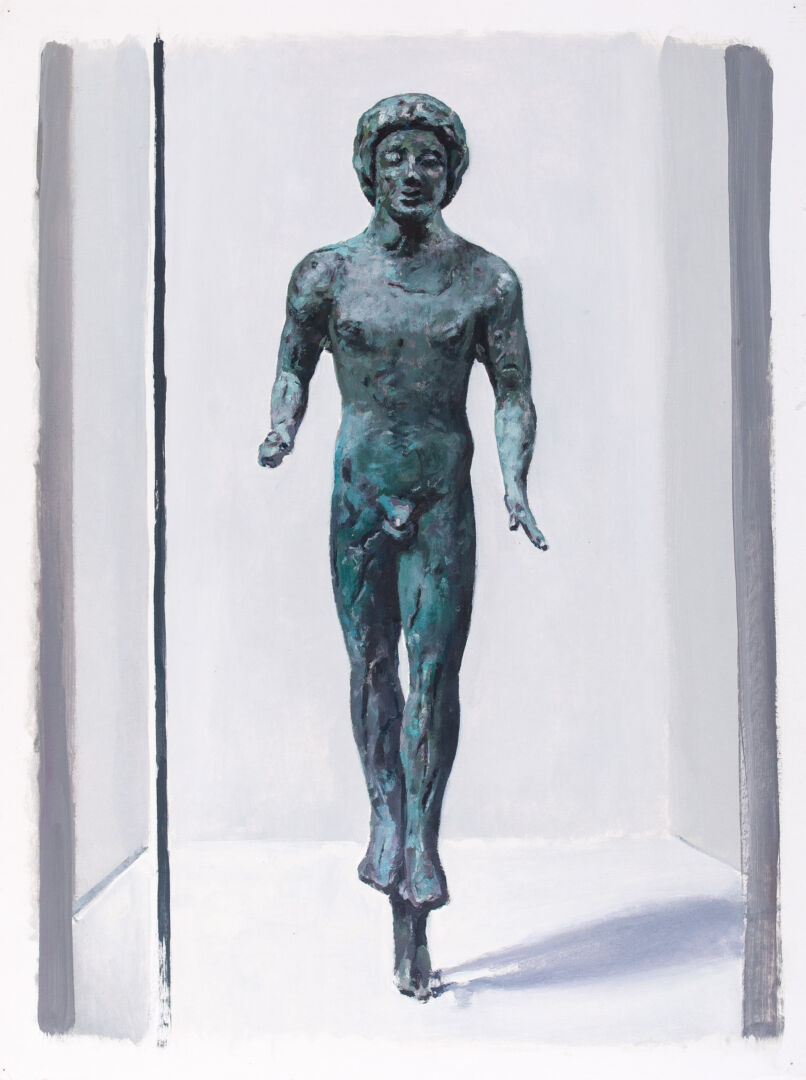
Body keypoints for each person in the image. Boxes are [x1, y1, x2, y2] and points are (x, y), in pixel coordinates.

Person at [258, 93, 547, 1001]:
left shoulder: (486, 281)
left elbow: (512, 391)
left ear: (451, 173)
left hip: (440, 499)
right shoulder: (326, 274)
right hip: (359, 495)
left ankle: (421, 843)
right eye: (396, 158)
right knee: (371, 665)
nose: (412, 173)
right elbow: (293, 362)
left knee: (435, 673)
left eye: (429, 159)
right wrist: (282, 425)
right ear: (369, 170)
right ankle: (387, 815)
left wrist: (515, 481)